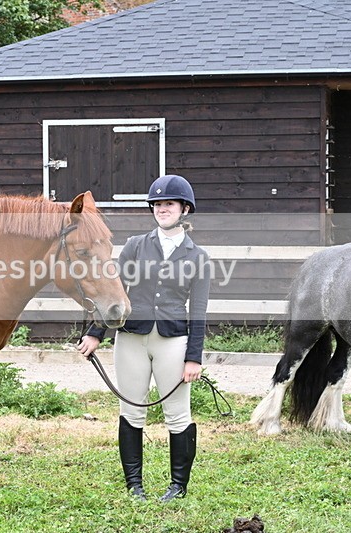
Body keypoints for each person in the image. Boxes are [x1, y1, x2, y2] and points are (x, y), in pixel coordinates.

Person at [76, 174, 211, 502]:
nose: (162, 209)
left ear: (184, 208)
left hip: (173, 342)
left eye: (169, 204)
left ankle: (178, 486)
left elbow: (200, 312)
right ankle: (134, 485)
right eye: (158, 204)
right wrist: (96, 335)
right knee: (131, 412)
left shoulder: (198, 257)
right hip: (132, 339)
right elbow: (115, 292)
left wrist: (194, 357)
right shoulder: (136, 245)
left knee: (177, 415)